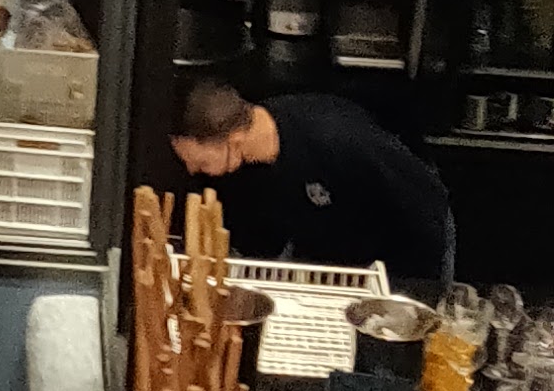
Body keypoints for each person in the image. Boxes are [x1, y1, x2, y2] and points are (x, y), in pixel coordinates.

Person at [169, 76, 455, 292]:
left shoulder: (335, 139)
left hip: (407, 245)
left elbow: (426, 204)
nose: (193, 170)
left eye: (200, 162)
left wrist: (415, 291)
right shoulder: (248, 168)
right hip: (335, 259)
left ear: (234, 141)